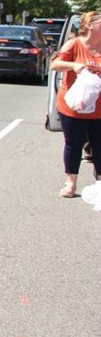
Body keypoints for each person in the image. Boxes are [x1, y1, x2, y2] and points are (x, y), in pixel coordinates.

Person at [49, 10, 101, 198]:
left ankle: (100, 184)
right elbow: (55, 64)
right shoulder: (74, 44)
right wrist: (73, 66)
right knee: (74, 144)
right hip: (73, 108)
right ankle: (71, 183)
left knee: (99, 145)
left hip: (99, 109)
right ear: (90, 26)